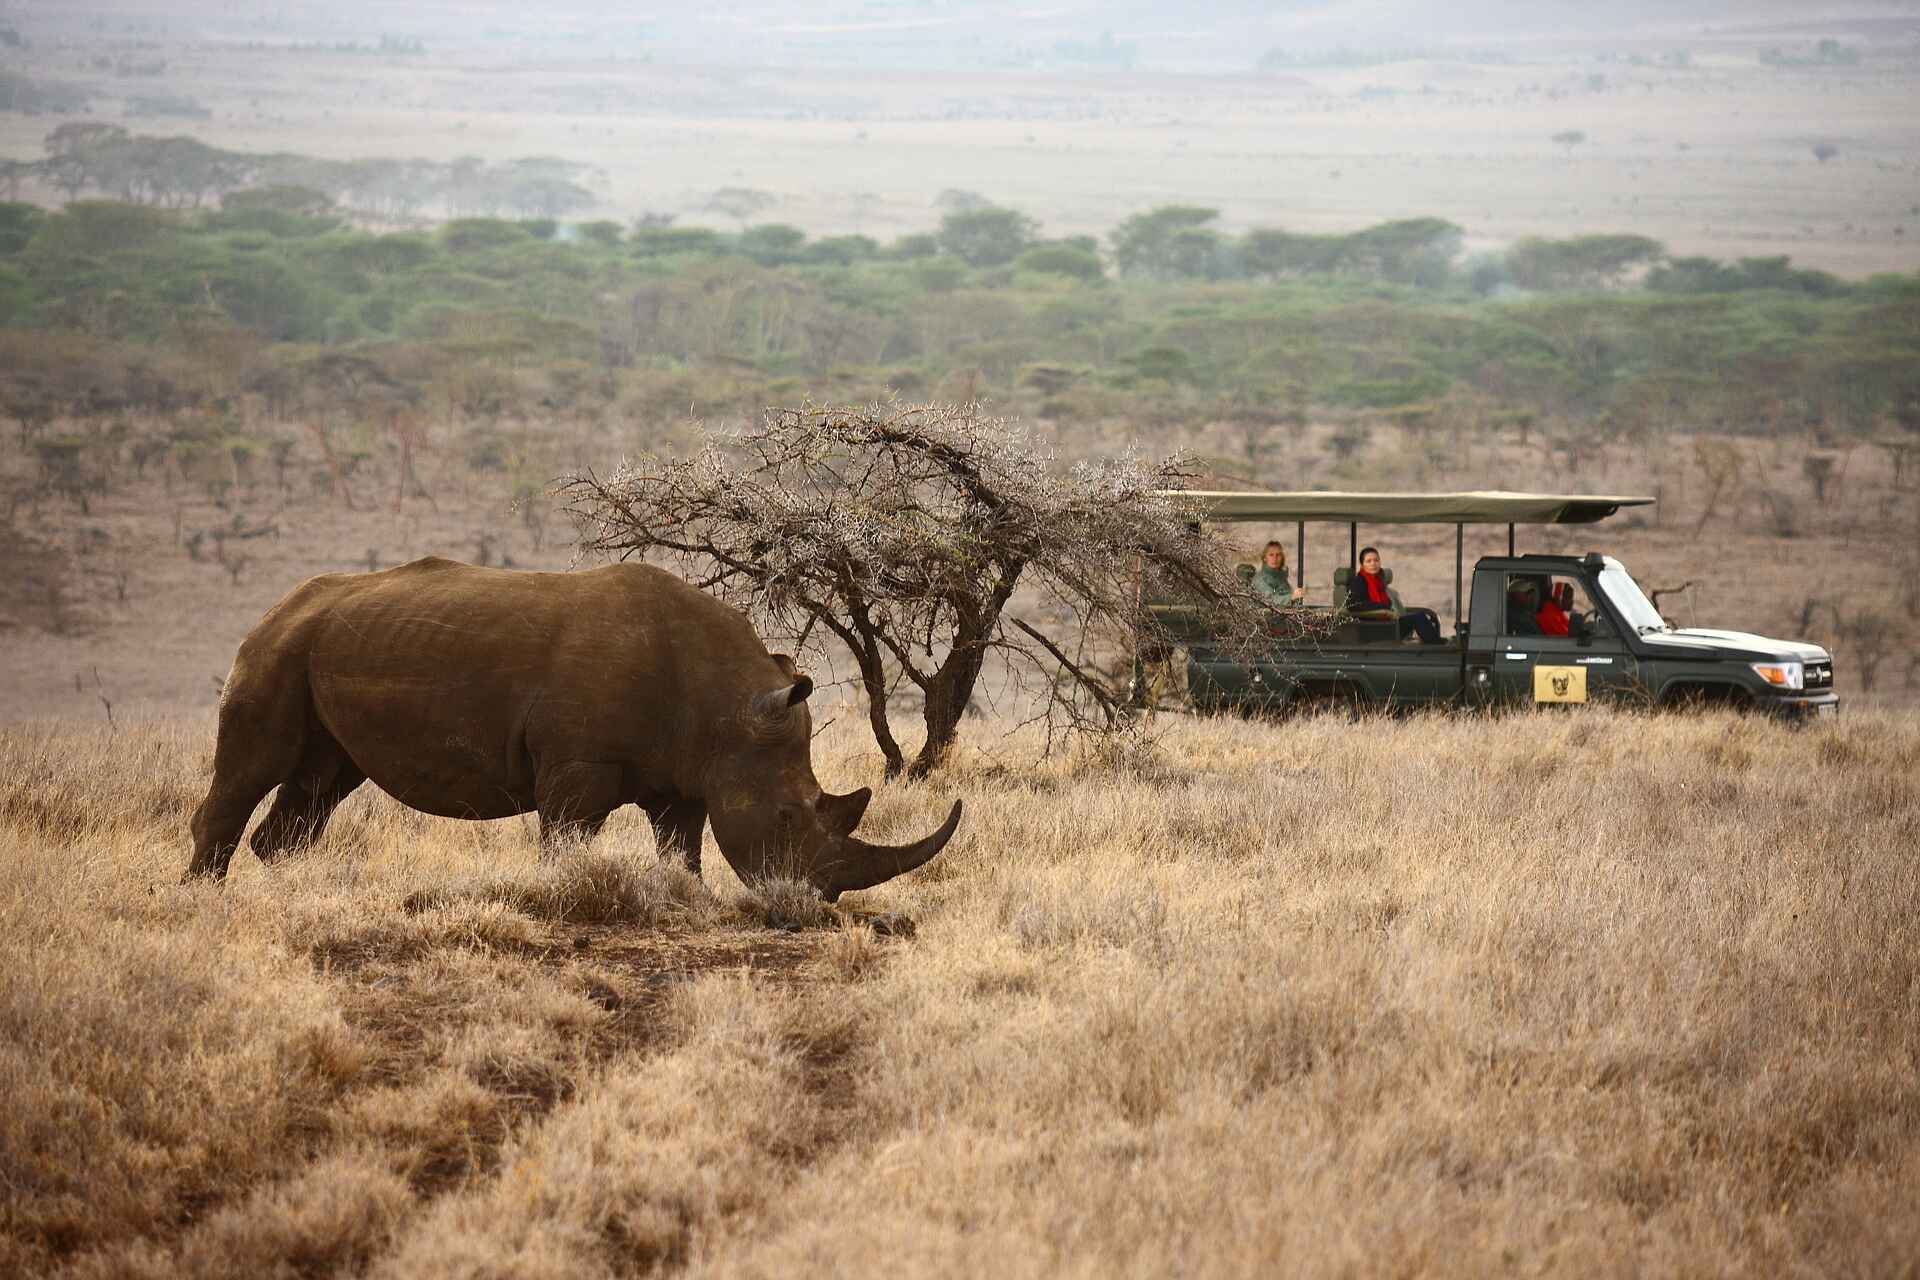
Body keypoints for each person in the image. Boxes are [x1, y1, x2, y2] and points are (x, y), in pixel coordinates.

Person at [1346, 546, 1442, 644]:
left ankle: (1435, 643)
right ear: (1362, 565)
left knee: (1420, 617)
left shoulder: (1378, 582)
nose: (1373, 564)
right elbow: (1354, 605)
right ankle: (1437, 646)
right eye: (1369, 561)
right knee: (1418, 617)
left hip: (1388, 625)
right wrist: (1384, 609)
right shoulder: (1359, 582)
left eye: (1376, 560)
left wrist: (1388, 609)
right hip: (1372, 627)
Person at [1251, 540, 1306, 607]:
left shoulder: (1281, 578)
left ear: (1282, 557)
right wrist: (1291, 597)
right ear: (1265, 558)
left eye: (1278, 555)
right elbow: (1269, 601)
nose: (1275, 558)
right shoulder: (1260, 579)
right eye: (1271, 555)